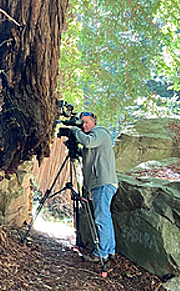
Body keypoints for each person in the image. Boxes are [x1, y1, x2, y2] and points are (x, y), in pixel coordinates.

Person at [71, 112, 118, 262]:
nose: (83, 126)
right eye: (81, 123)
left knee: (101, 218)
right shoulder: (92, 139)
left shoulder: (100, 133)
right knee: (104, 217)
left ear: (94, 123)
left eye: (86, 123)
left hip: (103, 183)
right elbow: (86, 153)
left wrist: (74, 130)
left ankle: (101, 253)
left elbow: (88, 142)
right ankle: (109, 250)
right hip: (100, 183)